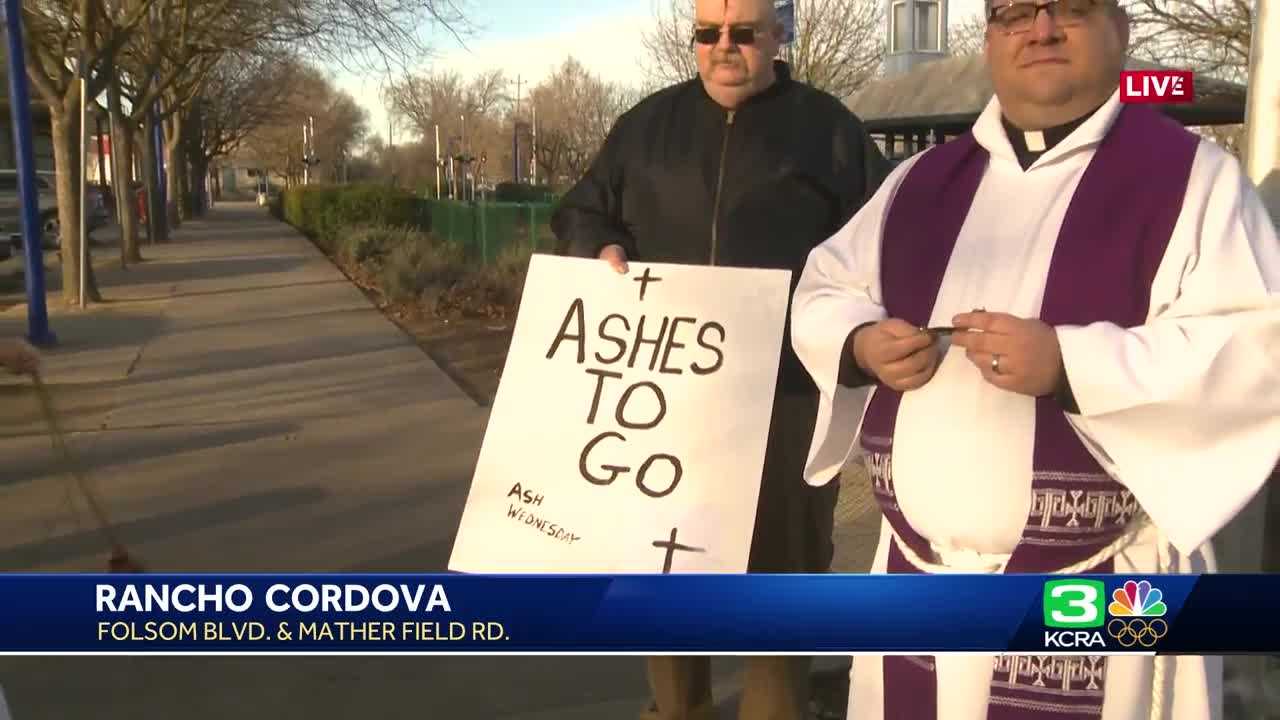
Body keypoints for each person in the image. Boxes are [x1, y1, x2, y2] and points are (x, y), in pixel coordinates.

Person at [790, 0, 1279, 718]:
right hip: (919, 584)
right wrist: (860, 342)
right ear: (991, 38)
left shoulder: (1191, 180)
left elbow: (1255, 347)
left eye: (1070, 9)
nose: (1041, 29)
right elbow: (825, 286)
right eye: (1016, 12)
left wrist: (1073, 364)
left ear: (1122, 28)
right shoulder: (920, 183)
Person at [550, 0, 891, 716]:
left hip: (787, 404)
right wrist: (594, 246)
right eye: (708, 33)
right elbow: (583, 210)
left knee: (779, 591)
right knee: (668, 580)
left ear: (780, 35)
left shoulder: (830, 132)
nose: (723, 47)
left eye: (744, 32)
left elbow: (888, 245)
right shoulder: (645, 128)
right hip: (665, 403)